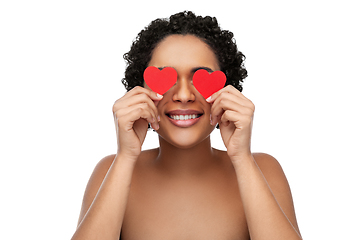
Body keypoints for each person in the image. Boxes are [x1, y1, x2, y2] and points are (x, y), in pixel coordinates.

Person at [71, 11, 302, 240]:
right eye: (166, 78)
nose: (183, 95)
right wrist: (125, 157)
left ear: (227, 90)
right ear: (139, 92)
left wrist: (242, 158)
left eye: (201, 76)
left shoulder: (264, 170)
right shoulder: (111, 170)